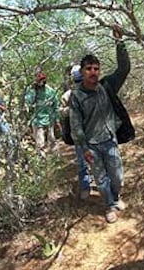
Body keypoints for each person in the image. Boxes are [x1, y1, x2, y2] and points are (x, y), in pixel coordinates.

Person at [69, 24, 130, 223]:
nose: (93, 72)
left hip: (110, 141)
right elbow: (75, 124)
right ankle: (109, 205)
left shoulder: (107, 85)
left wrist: (119, 41)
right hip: (92, 146)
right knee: (101, 179)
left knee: (117, 177)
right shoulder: (76, 96)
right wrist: (83, 147)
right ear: (83, 72)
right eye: (89, 69)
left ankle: (117, 196)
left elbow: (124, 68)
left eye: (96, 68)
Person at [60, 65, 92, 200]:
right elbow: (61, 112)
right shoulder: (67, 95)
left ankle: (103, 187)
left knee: (98, 161)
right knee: (82, 162)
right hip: (79, 136)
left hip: (94, 133)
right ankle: (85, 187)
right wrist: (71, 110)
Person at [25, 72, 61, 158]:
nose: (42, 82)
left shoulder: (50, 91)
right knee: (40, 141)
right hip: (37, 120)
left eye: (43, 80)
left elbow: (56, 106)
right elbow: (28, 102)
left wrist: (57, 119)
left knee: (52, 138)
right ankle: (41, 159)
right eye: (40, 80)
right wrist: (33, 91)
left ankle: (56, 157)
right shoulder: (31, 90)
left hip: (49, 118)